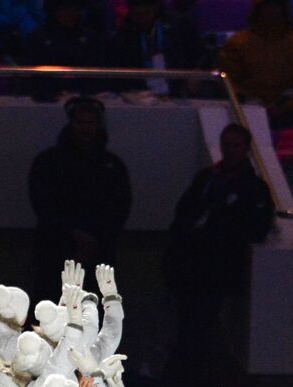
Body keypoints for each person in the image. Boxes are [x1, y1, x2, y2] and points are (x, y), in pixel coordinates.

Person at [163, 124, 274, 387]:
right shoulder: (207, 178)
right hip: (191, 268)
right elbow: (183, 216)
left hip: (222, 271)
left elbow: (257, 228)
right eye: (226, 144)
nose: (230, 150)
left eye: (236, 145)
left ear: (247, 148)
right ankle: (182, 383)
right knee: (187, 327)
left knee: (212, 332)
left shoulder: (254, 188)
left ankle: (206, 386)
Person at [28, 97, 132, 297]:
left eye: (91, 123)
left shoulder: (112, 165)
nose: (86, 129)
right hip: (56, 251)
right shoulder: (48, 162)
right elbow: (43, 204)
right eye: (81, 122)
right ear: (72, 123)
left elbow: (120, 207)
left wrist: (96, 239)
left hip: (98, 252)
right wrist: (73, 234)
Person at [218, 0, 293, 128]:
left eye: (276, 6)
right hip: (248, 110)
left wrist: (290, 105)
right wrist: (247, 101)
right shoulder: (237, 44)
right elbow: (228, 81)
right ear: (258, 10)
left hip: (290, 112)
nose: (272, 12)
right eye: (267, 7)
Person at [105, 0, 201, 96]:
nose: (142, 20)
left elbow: (197, 55)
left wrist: (194, 74)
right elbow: (118, 72)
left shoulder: (179, 25)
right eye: (137, 15)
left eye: (146, 14)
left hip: (178, 94)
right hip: (140, 97)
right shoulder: (124, 34)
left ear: (156, 9)